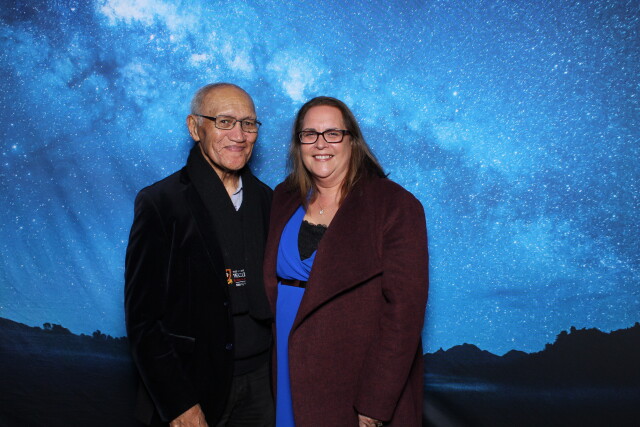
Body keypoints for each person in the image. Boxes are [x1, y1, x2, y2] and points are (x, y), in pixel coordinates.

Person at [263, 96, 429, 427]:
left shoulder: (394, 205)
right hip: (286, 358)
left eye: (333, 133)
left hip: (352, 373)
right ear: (298, 143)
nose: (320, 143)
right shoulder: (284, 196)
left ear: (352, 140)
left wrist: (376, 401)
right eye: (309, 134)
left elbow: (404, 314)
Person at [125, 83, 275, 427]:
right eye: (224, 121)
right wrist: (179, 405)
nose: (239, 135)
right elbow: (142, 319)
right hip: (193, 385)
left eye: (248, 123)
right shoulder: (161, 203)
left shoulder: (269, 200)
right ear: (195, 128)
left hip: (263, 382)